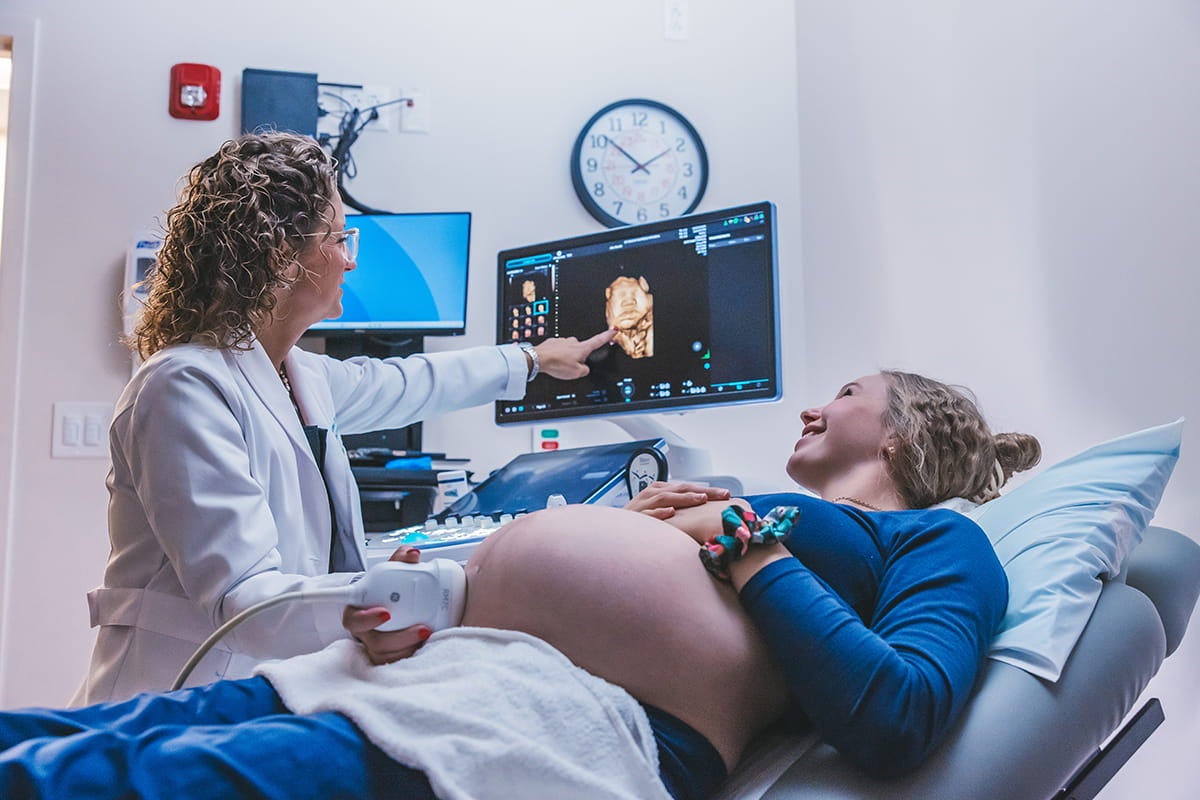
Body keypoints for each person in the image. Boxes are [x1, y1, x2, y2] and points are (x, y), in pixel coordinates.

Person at [8, 368, 1038, 799]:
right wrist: (442, 600)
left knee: (111, 783)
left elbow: (900, 707)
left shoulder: (940, 541)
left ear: (901, 427)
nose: (815, 404)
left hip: (563, 722)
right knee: (91, 737)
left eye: (846, 392)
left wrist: (745, 541)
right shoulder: (743, 502)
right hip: (431, 675)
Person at [73, 131, 616, 706]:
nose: (351, 259)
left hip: (264, 696)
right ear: (282, 257)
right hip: (172, 707)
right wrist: (426, 592)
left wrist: (531, 358)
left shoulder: (299, 375)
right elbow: (245, 599)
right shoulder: (183, 386)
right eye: (338, 238)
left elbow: (410, 383)